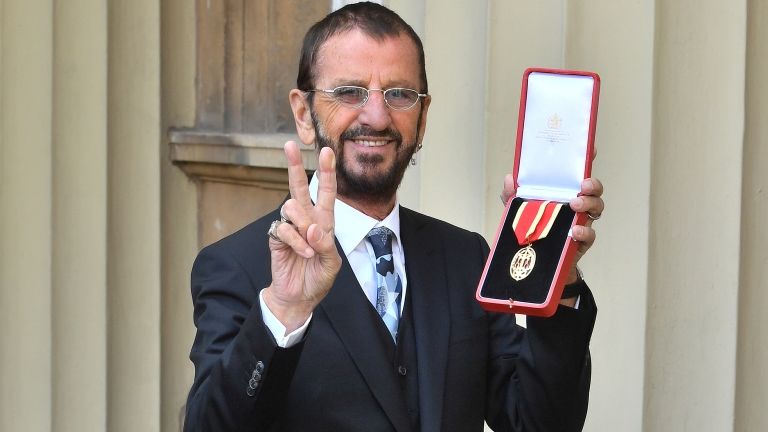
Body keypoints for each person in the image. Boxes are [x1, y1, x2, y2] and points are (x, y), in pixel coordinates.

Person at [184, 3, 604, 431]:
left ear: (422, 119)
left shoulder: (467, 257)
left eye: (399, 94)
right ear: (302, 114)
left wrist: (561, 277)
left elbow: (538, 424)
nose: (376, 116)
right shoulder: (237, 266)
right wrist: (284, 311)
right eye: (349, 92)